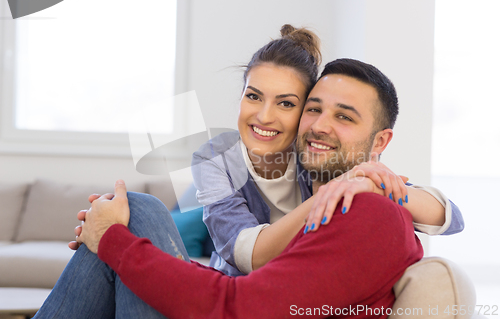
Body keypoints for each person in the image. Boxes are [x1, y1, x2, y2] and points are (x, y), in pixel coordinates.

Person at [34, 58, 462, 318]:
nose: (319, 126)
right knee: (134, 211)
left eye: (345, 117)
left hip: (233, 303)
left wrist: (112, 241)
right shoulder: (315, 183)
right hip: (238, 292)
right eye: (314, 109)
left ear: (380, 144)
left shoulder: (372, 207)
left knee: (133, 217)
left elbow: (236, 305)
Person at [191, 27, 463, 276]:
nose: (264, 116)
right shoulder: (216, 158)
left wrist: (371, 184)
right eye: (253, 96)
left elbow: (450, 218)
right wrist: (338, 188)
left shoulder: (318, 154)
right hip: (233, 292)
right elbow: (248, 256)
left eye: (286, 103)